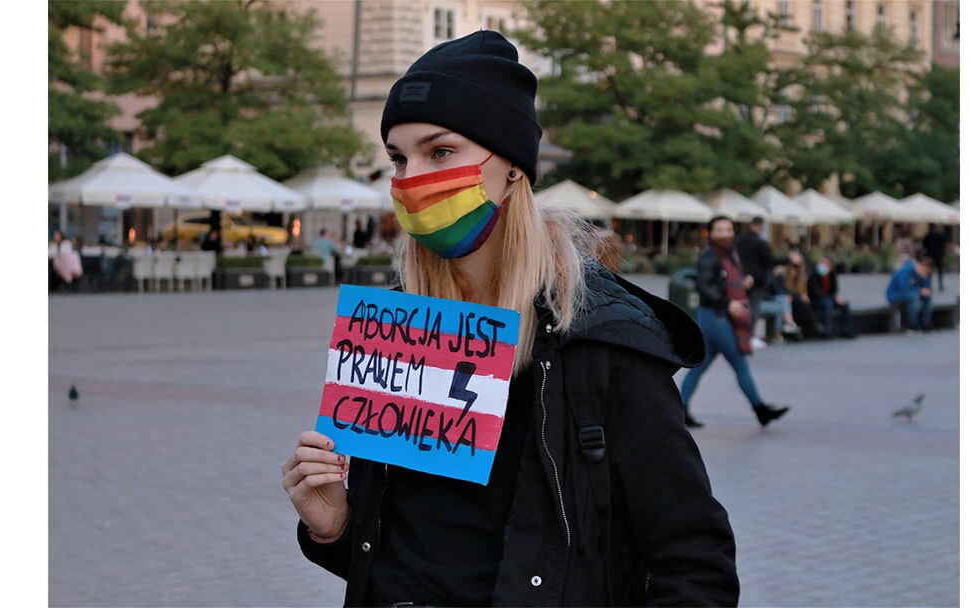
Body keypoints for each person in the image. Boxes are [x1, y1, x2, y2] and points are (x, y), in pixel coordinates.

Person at [281, 30, 739, 607]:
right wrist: (335, 527)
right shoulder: (402, 329)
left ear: (513, 168)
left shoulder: (601, 341)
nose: (411, 178)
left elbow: (696, 567)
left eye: (440, 151)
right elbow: (405, 553)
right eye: (398, 158)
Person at [679, 215, 790, 430]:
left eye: (728, 229)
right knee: (739, 363)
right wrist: (727, 303)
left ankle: (680, 409)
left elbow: (725, 282)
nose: (725, 234)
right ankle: (761, 410)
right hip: (715, 316)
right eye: (720, 230)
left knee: (699, 367)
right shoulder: (709, 257)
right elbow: (703, 286)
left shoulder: (730, 256)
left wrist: (743, 282)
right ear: (711, 234)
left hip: (719, 316)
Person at [733, 215, 776, 339]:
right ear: (759, 226)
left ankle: (739, 333)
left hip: (739, 278)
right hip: (757, 281)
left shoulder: (738, 241)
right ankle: (749, 335)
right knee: (753, 308)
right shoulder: (761, 243)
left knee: (740, 307)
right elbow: (769, 261)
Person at [807, 256, 854, 339]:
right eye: (822, 263)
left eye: (826, 264)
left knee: (845, 305)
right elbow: (815, 292)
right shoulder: (813, 275)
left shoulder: (832, 275)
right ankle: (827, 331)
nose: (823, 265)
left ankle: (845, 331)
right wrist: (832, 299)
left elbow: (834, 290)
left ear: (831, 267)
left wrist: (834, 299)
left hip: (829, 299)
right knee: (827, 304)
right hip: (816, 300)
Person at [887, 255, 935, 333]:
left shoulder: (924, 274)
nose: (925, 271)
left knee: (927, 298)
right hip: (895, 294)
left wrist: (926, 286)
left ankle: (926, 324)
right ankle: (912, 325)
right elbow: (904, 288)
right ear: (920, 265)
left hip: (913, 294)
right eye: (925, 269)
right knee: (913, 297)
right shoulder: (906, 270)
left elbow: (927, 289)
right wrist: (920, 291)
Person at [782, 247, 823, 338]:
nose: (796, 258)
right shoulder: (784, 270)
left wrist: (804, 294)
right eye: (794, 256)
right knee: (801, 302)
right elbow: (785, 287)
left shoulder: (804, 271)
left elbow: (804, 287)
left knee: (802, 303)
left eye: (797, 256)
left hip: (798, 297)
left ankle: (807, 328)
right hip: (788, 296)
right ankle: (813, 326)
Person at [921, 224, 947, 292]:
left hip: (930, 256)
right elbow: (943, 247)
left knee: (929, 272)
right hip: (938, 256)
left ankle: (929, 285)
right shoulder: (940, 235)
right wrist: (943, 256)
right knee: (939, 271)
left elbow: (923, 246)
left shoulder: (927, 236)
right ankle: (940, 285)